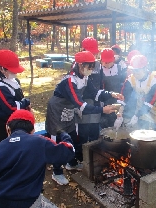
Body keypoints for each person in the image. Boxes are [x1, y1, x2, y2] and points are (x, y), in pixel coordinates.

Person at [45, 51, 123, 185]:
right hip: (57, 112)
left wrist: (111, 94)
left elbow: (94, 93)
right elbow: (80, 104)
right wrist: (102, 109)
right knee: (58, 141)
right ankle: (57, 172)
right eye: (89, 67)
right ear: (80, 65)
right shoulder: (70, 81)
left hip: (68, 111)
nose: (91, 70)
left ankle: (72, 162)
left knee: (71, 137)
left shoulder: (84, 78)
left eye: (93, 67)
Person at [0, 110, 75, 208]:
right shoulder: (39, 142)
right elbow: (68, 151)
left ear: (8, 128)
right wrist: (64, 135)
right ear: (33, 130)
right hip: (25, 204)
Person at [114, 54, 156, 160]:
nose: (134, 73)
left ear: (145, 68)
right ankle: (144, 152)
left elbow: (149, 102)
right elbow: (124, 97)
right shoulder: (130, 79)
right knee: (143, 128)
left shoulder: (154, 81)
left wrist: (136, 116)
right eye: (133, 70)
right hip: (141, 105)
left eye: (137, 70)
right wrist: (119, 114)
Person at [0, 49, 31, 142]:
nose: (15, 73)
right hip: (7, 126)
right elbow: (11, 108)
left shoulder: (13, 80)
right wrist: (25, 102)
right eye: (12, 71)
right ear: (2, 69)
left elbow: (19, 97)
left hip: (20, 123)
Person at [77, 37, 103, 144]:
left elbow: (101, 82)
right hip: (82, 102)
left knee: (94, 130)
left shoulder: (98, 65)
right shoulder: (77, 65)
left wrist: (101, 98)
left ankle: (93, 155)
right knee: (83, 131)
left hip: (95, 101)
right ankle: (82, 156)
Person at [100, 48, 127, 128]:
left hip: (117, 99)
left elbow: (123, 84)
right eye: (105, 62)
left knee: (117, 119)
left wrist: (121, 102)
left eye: (109, 62)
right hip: (104, 99)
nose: (107, 64)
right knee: (104, 121)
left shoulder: (119, 68)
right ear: (101, 61)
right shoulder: (99, 70)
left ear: (113, 60)